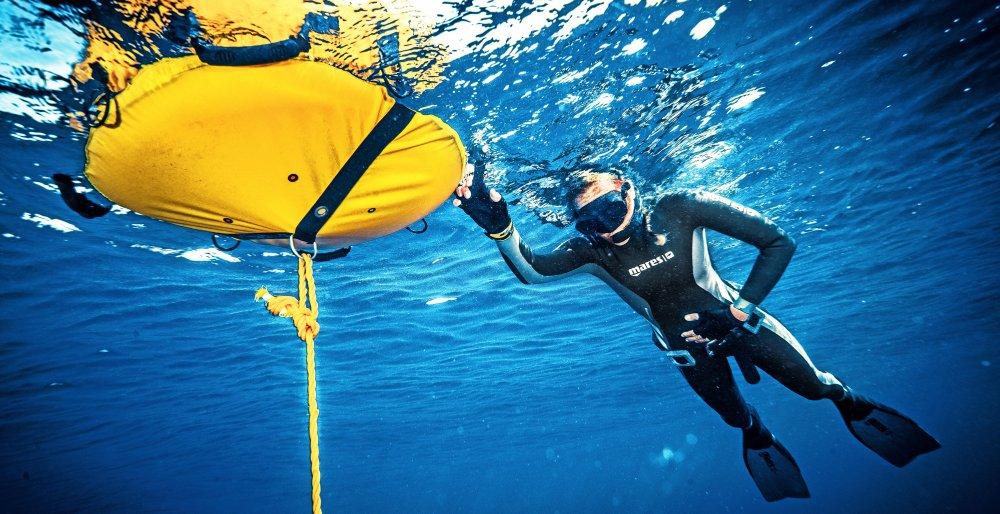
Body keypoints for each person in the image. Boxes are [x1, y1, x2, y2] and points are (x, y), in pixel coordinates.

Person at [453, 163, 940, 502]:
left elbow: (778, 242)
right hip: (687, 353)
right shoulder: (591, 251)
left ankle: (847, 400)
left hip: (744, 326)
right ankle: (757, 433)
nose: (606, 230)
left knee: (814, 388)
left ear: (627, 189)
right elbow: (533, 272)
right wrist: (500, 228)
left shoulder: (680, 208)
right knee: (735, 419)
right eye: (589, 223)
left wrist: (739, 312)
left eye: (609, 211)